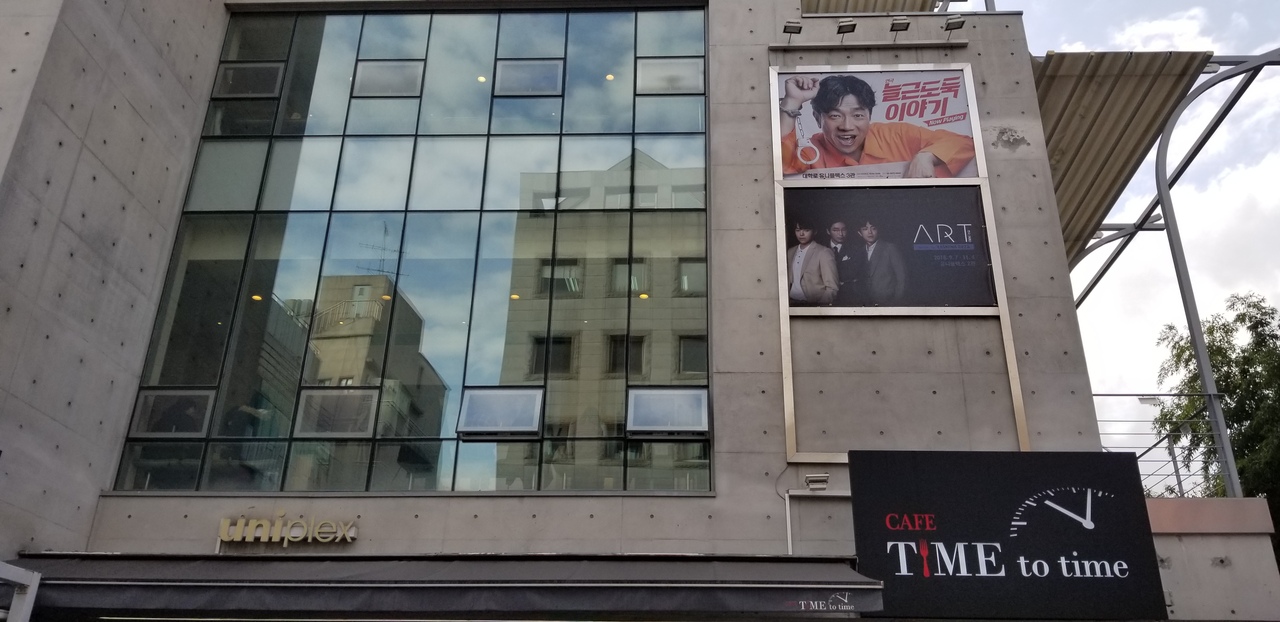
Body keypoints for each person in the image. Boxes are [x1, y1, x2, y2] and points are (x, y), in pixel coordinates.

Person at [778, 74, 975, 178]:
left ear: (869, 116)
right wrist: (792, 101)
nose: (847, 126)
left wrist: (927, 157)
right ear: (817, 118)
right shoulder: (810, 151)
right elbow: (781, 166)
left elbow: (965, 143)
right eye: (835, 116)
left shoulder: (897, 135)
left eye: (858, 115)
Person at [851, 219, 906, 305]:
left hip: (888, 302)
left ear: (878, 230)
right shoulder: (859, 251)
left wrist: (896, 302)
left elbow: (902, 278)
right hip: (866, 304)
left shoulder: (890, 248)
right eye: (865, 229)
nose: (870, 232)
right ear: (859, 233)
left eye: (873, 228)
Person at [786, 219, 839, 305]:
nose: (801, 234)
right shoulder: (790, 252)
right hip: (791, 303)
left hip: (812, 304)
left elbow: (832, 287)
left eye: (806, 230)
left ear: (815, 231)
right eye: (798, 230)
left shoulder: (823, 252)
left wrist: (818, 306)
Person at [827, 220, 857, 305]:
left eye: (843, 230)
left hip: (849, 296)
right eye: (835, 230)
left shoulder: (855, 249)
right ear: (828, 231)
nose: (840, 234)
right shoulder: (821, 248)